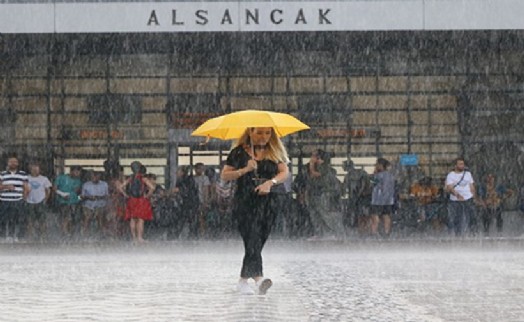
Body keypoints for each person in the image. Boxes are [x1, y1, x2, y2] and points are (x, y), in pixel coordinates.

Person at [220, 127, 289, 295]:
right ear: (250, 132)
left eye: (267, 133)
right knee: (252, 236)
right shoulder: (238, 152)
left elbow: (284, 172)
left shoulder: (274, 151)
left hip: (269, 202)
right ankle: (259, 279)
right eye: (259, 132)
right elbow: (225, 175)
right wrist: (244, 170)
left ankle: (243, 280)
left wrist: (270, 182)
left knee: (258, 240)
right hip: (245, 201)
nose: (263, 137)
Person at [303, 149, 344, 240]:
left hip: (323, 192)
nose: (311, 158)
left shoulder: (324, 166)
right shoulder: (312, 166)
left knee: (324, 213)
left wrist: (311, 165)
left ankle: (332, 232)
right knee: (314, 214)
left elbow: (315, 174)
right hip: (313, 192)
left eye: (313, 156)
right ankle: (319, 232)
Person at [118, 161, 155, 243]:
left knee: (132, 219)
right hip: (141, 200)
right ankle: (140, 237)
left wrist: (125, 195)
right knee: (140, 219)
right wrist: (147, 195)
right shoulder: (143, 178)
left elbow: (120, 187)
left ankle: (134, 238)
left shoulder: (130, 178)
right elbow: (152, 187)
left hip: (131, 200)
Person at [0, 155, 30, 242]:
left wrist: (24, 197)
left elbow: (26, 187)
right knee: (3, 219)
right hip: (4, 200)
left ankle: (17, 237)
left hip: (18, 200)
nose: (13, 163)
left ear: (18, 163)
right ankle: (3, 237)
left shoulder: (23, 174)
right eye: (11, 161)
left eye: (15, 162)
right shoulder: (2, 174)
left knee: (17, 219)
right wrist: (6, 186)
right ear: (8, 163)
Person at [445, 158, 476, 236]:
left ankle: (472, 232)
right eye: (460, 164)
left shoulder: (468, 174)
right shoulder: (451, 175)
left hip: (468, 198)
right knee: (457, 217)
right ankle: (458, 234)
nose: (462, 166)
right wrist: (457, 195)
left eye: (463, 164)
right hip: (456, 200)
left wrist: (474, 196)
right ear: (455, 165)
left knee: (471, 216)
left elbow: (471, 186)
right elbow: (449, 187)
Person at [343, 160, 373, 236]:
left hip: (355, 197)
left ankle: (356, 226)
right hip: (363, 197)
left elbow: (344, 187)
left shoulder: (348, 176)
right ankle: (364, 229)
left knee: (355, 212)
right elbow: (369, 183)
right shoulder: (362, 172)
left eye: (343, 166)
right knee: (362, 213)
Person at [54, 165, 83, 241]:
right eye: (76, 172)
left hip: (74, 203)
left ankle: (70, 235)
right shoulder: (61, 177)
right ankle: (64, 234)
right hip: (63, 202)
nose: (78, 174)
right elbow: (54, 189)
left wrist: (80, 198)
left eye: (79, 172)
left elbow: (76, 193)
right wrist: (62, 194)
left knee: (73, 220)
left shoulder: (78, 181)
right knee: (65, 218)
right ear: (71, 171)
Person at [25, 162, 52, 242]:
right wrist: (25, 199)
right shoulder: (26, 178)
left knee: (42, 221)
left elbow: (48, 190)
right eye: (33, 169)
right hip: (29, 202)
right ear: (30, 170)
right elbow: (23, 189)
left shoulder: (44, 179)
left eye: (37, 169)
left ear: (39, 170)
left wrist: (45, 199)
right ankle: (30, 238)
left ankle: (43, 237)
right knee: (30, 221)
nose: (35, 171)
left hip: (41, 202)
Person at [370, 158, 395, 237]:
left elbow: (372, 184)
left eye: (377, 164)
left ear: (380, 165)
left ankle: (374, 233)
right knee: (386, 216)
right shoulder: (390, 175)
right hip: (388, 200)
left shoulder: (378, 176)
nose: (375, 166)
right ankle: (386, 233)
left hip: (377, 200)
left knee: (375, 216)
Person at [80, 171, 109, 240]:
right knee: (87, 219)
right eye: (93, 177)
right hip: (88, 205)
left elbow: (107, 196)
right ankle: (84, 236)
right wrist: (88, 197)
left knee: (100, 220)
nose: (94, 178)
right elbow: (80, 197)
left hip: (100, 205)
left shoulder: (104, 184)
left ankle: (102, 236)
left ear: (99, 177)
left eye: (96, 177)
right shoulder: (86, 185)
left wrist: (100, 197)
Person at [193, 162, 211, 237]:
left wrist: (205, 201)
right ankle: (199, 232)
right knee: (197, 217)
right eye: (199, 168)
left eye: (202, 168)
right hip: (195, 200)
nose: (200, 170)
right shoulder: (193, 178)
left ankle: (202, 232)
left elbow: (206, 190)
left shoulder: (205, 178)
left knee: (202, 217)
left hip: (201, 200)